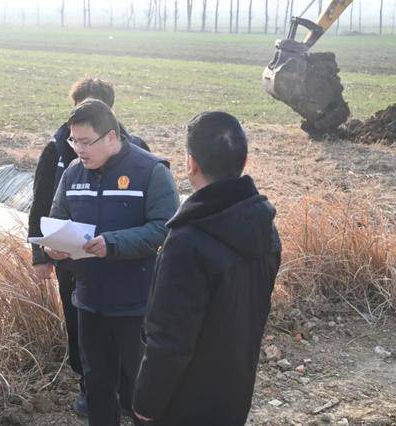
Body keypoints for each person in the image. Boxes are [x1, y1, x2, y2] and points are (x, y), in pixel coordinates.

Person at [132, 112, 283, 425]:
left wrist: (146, 403)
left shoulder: (187, 241)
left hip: (184, 402)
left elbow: (169, 339)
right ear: (244, 160)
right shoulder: (264, 227)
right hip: (235, 390)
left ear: (191, 164)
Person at [46, 99, 179, 426]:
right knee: (97, 384)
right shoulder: (73, 174)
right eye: (73, 141)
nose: (79, 150)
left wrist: (113, 243)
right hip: (89, 300)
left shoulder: (151, 171)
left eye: (86, 142)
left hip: (136, 303)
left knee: (141, 388)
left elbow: (165, 228)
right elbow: (57, 218)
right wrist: (55, 247)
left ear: (111, 137)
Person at [28, 77, 149, 416]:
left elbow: (155, 216)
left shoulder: (138, 150)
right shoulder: (58, 151)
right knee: (79, 325)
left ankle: (130, 392)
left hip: (126, 262)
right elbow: (41, 205)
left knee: (130, 331)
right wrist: (41, 254)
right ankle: (89, 386)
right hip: (75, 263)